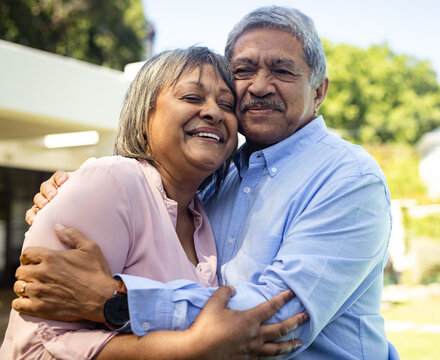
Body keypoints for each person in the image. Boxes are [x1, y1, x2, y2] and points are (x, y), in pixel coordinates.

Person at [17, 6, 397, 359]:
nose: (260, 86)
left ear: (318, 92)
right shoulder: (213, 182)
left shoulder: (349, 179)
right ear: (144, 112)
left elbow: (276, 322)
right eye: (244, 71)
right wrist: (79, 191)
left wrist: (116, 300)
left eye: (282, 71)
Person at [1, 46, 306, 359]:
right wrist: (189, 349)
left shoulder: (205, 214)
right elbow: (33, 349)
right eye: (191, 97)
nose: (214, 112)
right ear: (143, 116)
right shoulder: (114, 182)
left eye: (226, 104)